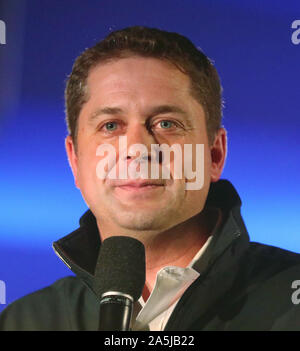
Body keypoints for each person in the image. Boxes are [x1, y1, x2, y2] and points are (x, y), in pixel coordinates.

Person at [0, 26, 299, 331]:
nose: (138, 149)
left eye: (166, 123)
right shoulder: (25, 322)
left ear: (214, 156)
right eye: (111, 126)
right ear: (74, 160)